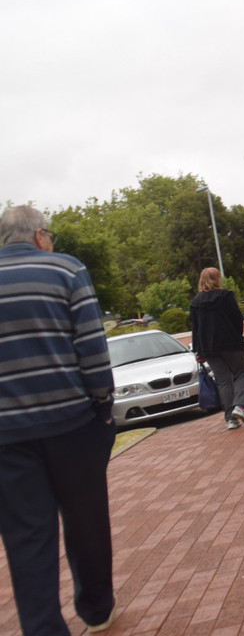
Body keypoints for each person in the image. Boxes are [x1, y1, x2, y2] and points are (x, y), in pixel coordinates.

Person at [0, 205, 118, 635]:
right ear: (39, 236)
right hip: (72, 422)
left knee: (26, 535)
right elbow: (91, 346)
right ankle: (96, 608)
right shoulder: (66, 270)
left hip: (7, 435)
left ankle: (43, 627)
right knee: (86, 520)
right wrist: (102, 404)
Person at [190, 267, 244, 430]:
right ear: (217, 279)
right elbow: (237, 318)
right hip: (230, 343)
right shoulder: (226, 296)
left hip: (209, 348)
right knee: (241, 372)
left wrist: (198, 349)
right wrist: (237, 335)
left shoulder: (195, 302)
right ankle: (240, 406)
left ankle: (230, 419)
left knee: (223, 380)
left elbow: (195, 328)